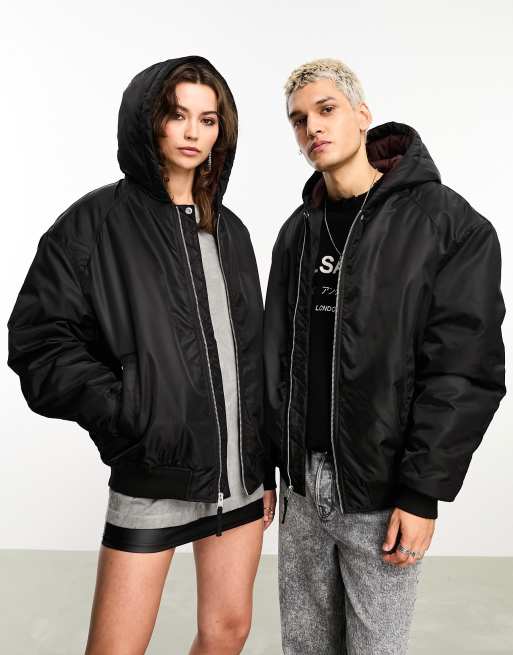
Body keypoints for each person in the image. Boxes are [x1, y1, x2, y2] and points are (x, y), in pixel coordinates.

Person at [7, 55, 277, 655]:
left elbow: (251, 356)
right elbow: (37, 339)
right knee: (116, 648)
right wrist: (130, 409)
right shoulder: (96, 222)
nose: (192, 133)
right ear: (147, 121)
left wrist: (265, 465)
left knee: (227, 632)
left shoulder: (231, 231)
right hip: (155, 468)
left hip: (240, 476)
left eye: (208, 119)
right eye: (177, 115)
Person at [263, 57, 506, 654]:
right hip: (300, 489)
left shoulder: (446, 224)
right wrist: (267, 467)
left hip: (382, 489)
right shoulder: (298, 231)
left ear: (363, 116)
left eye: (326, 110)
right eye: (299, 120)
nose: (313, 128)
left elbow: (463, 369)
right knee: (305, 648)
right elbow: (273, 357)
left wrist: (422, 492)